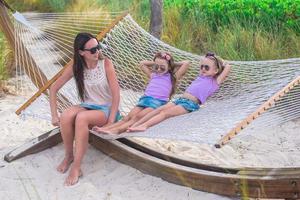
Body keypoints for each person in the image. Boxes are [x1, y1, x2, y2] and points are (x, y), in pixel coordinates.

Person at [49, 32, 120, 186]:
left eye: (98, 47)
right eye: (93, 50)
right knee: (66, 115)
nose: (98, 52)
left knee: (81, 118)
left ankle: (76, 167)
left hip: (106, 109)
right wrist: (54, 115)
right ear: (81, 52)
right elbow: (53, 89)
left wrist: (111, 121)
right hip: (88, 106)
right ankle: (69, 155)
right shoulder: (76, 65)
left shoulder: (106, 64)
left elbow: (116, 95)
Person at [128, 52, 231, 132]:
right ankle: (136, 125)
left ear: (216, 71)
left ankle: (144, 126)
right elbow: (191, 63)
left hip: (190, 104)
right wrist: (169, 63)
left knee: (165, 113)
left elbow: (228, 67)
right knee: (157, 110)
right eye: (202, 66)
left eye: (207, 67)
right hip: (180, 99)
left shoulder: (215, 82)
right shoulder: (201, 76)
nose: (203, 69)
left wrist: (220, 61)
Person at [92, 52, 190, 135]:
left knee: (137, 118)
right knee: (128, 117)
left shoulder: (172, 78)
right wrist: (159, 62)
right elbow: (142, 63)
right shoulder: (153, 75)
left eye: (162, 68)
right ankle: (107, 129)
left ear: (169, 68)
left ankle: (116, 130)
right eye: (156, 67)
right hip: (145, 99)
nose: (159, 70)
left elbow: (186, 63)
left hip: (157, 103)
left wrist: (171, 63)